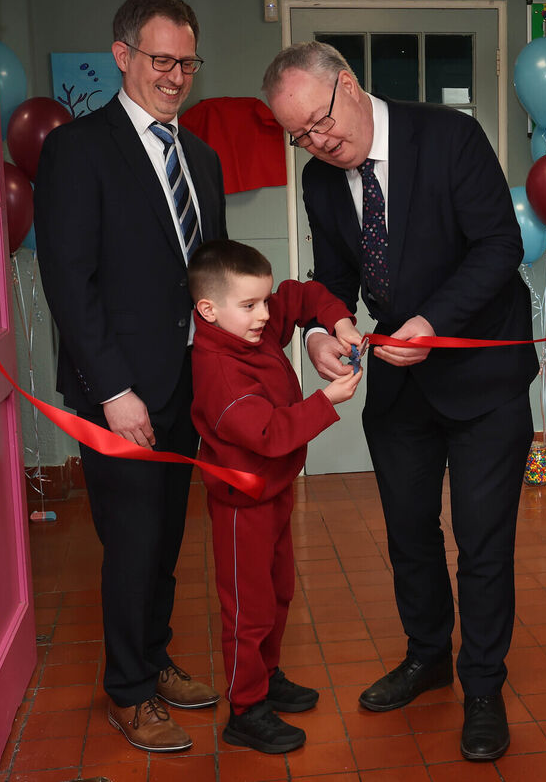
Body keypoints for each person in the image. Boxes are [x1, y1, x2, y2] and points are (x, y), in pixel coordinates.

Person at [262, 41, 538, 762]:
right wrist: (324, 330)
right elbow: (333, 277)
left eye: (320, 122)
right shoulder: (320, 182)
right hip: (398, 382)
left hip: (482, 380)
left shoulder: (448, 136)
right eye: (301, 136)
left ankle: (482, 686)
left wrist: (433, 323)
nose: (318, 142)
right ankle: (427, 657)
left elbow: (498, 247)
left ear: (348, 86)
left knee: (481, 542)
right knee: (409, 532)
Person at [33, 0, 226, 753]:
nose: (176, 76)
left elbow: (209, 279)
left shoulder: (202, 159)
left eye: (187, 62)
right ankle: (128, 691)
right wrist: (114, 391)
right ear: (123, 56)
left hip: (188, 384)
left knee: (168, 535)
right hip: (116, 392)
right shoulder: (77, 150)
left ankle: (154, 656)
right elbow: (69, 282)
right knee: (131, 540)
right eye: (161, 61)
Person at [187, 239, 362, 754]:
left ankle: (266, 675)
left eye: (263, 301)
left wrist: (340, 322)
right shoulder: (218, 369)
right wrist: (325, 401)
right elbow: (268, 433)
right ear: (208, 310)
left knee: (279, 590)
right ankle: (245, 707)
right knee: (248, 607)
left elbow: (301, 295)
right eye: (250, 305)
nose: (265, 314)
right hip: (244, 504)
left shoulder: (249, 327)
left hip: (276, 489)